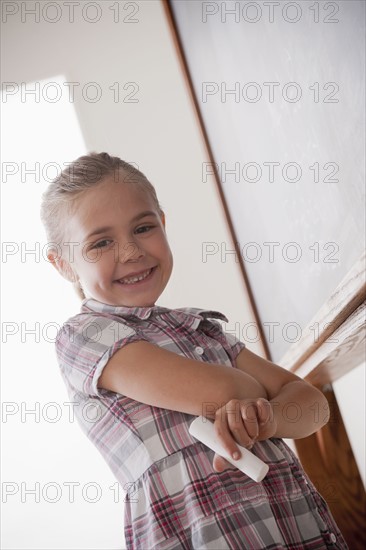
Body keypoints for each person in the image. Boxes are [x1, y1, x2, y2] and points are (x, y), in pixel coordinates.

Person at [40, 152, 347, 549]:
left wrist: (267, 420)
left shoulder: (201, 326)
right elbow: (229, 394)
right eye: (101, 242)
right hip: (198, 530)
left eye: (144, 227)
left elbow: (312, 405)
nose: (131, 252)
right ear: (63, 264)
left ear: (163, 224)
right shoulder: (84, 335)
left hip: (294, 524)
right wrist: (260, 399)